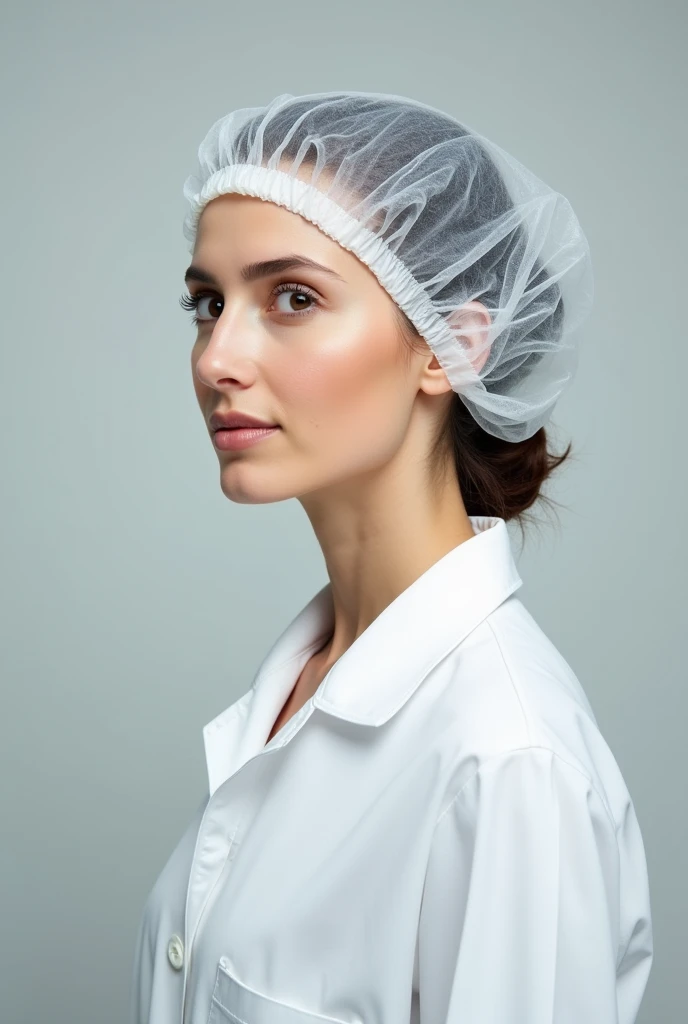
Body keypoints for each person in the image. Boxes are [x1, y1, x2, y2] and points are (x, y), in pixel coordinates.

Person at [129, 91, 653, 1024]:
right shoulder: (305, 680)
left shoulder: (505, 760)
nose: (217, 358)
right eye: (209, 303)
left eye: (293, 296)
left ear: (452, 342)